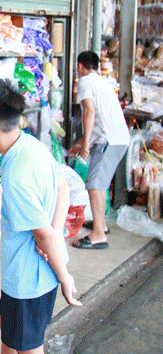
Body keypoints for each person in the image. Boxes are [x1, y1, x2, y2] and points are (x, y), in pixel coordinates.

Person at [0, 80, 82, 354]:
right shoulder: (30, 145)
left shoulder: (16, 175)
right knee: (7, 325)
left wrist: (65, 278)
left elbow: (42, 235)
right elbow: (63, 186)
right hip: (30, 274)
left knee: (29, 348)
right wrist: (54, 234)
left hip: (28, 279)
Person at [69, 51, 129, 250]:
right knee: (99, 185)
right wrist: (81, 142)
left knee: (95, 186)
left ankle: (97, 235)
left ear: (80, 66)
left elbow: (89, 111)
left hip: (108, 141)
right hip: (117, 139)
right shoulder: (103, 83)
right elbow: (99, 119)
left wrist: (85, 146)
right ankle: (100, 225)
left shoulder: (85, 81)